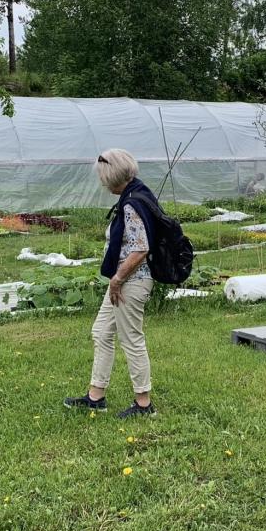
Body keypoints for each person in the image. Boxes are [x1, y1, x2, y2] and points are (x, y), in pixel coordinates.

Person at [64, 149, 158, 419]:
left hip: (131, 281)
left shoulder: (132, 203)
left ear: (112, 176)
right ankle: (96, 397)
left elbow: (140, 249)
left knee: (132, 339)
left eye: (103, 178)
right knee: (102, 332)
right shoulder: (138, 193)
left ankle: (144, 403)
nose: (102, 184)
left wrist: (117, 280)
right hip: (122, 281)